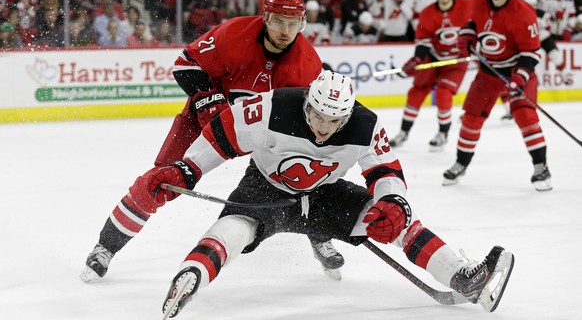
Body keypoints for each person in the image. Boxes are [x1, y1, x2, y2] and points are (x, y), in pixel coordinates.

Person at [146, 71, 515, 318]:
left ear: (348, 113)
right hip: (264, 189)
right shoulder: (272, 107)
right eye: (317, 115)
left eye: (334, 121)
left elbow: (385, 171)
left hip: (324, 197)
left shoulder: (366, 125)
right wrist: (186, 169)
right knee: (235, 228)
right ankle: (191, 274)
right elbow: (220, 135)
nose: (324, 127)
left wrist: (393, 201)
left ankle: (462, 276)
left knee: (391, 220)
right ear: (307, 101)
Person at [80, 0, 344, 284]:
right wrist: (209, 100)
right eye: (278, 21)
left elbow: (310, 116)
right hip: (204, 124)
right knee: (159, 181)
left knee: (307, 175)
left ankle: (320, 236)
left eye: (293, 23)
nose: (285, 31)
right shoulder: (234, 33)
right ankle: (105, 247)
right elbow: (185, 65)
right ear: (265, 17)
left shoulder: (307, 64)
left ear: (303, 23)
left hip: (264, 132)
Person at [443, 0, 552, 191]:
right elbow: (474, 23)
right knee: (471, 119)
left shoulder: (523, 12)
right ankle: (461, 163)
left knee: (525, 115)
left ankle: (541, 167)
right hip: (488, 73)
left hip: (516, 71)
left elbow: (532, 52)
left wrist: (519, 77)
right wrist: (467, 33)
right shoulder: (478, 1)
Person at [390, 0, 473, 151]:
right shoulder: (427, 13)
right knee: (416, 93)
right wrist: (418, 60)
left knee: (443, 93)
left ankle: (442, 134)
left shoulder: (468, 5)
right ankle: (403, 133)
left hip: (457, 61)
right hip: (434, 58)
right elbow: (423, 42)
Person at [499, 0, 566, 121]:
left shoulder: (542, 14)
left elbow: (549, 24)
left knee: (556, 56)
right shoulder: (517, 13)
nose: (532, 8)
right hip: (526, 41)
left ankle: (564, 77)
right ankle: (509, 108)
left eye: (534, 6)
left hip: (541, 37)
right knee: (508, 73)